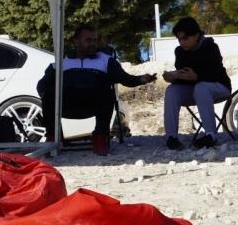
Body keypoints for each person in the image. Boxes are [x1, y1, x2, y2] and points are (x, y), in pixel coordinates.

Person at [37, 24, 156, 155]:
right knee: (49, 93)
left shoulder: (106, 60)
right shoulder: (61, 63)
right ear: (76, 42)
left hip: (94, 103)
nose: (93, 44)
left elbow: (124, 79)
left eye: (95, 40)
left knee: (107, 90)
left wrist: (141, 79)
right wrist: (49, 98)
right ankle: (53, 139)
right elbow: (41, 85)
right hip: (67, 104)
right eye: (88, 40)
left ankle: (100, 137)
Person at [162, 17, 231, 150]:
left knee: (201, 87)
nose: (182, 42)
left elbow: (215, 73)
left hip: (219, 86)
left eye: (185, 38)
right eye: (179, 39)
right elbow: (184, 75)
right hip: (195, 90)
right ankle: (171, 137)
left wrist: (197, 77)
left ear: (196, 35)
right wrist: (173, 77)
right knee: (171, 90)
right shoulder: (180, 51)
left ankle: (211, 135)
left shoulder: (211, 47)